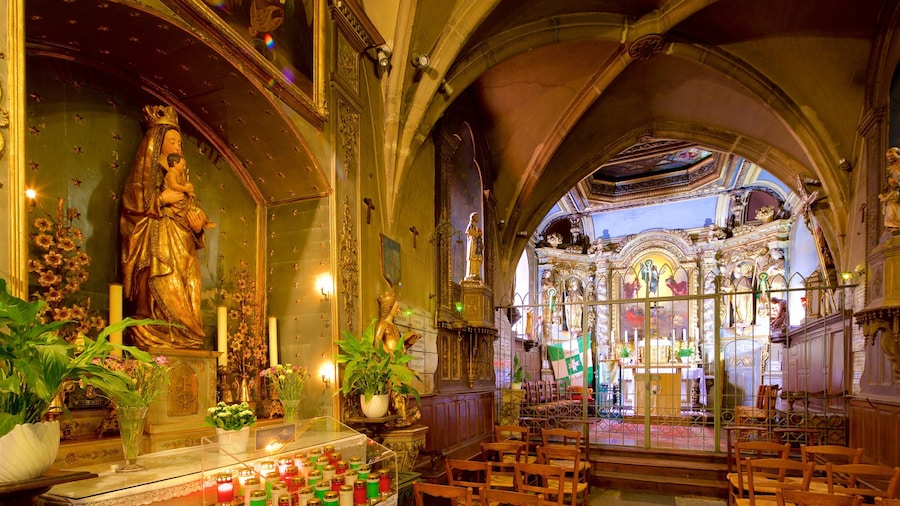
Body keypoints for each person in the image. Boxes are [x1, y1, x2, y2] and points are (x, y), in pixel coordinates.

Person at [119, 105, 209, 349]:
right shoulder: (147, 172)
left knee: (189, 287)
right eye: (172, 141)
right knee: (163, 280)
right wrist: (160, 200)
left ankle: (185, 334)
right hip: (157, 242)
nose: (178, 147)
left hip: (184, 245)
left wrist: (197, 227)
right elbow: (132, 206)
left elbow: (189, 206)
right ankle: (159, 327)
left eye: (179, 143)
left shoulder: (180, 174)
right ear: (157, 143)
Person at [373, 292, 421, 426]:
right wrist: (389, 353)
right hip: (391, 364)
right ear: (389, 307)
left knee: (405, 388)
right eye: (397, 307)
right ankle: (400, 416)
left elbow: (399, 345)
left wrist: (408, 343)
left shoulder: (394, 327)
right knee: (396, 389)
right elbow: (377, 343)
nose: (399, 310)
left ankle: (403, 414)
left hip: (400, 363)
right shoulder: (382, 324)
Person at [163, 153, 214, 230]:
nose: (184, 167)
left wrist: (189, 192)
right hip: (176, 203)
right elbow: (174, 185)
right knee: (191, 213)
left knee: (199, 211)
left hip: (183, 201)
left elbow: (184, 185)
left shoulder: (179, 174)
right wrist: (186, 189)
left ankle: (206, 223)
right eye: (182, 165)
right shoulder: (171, 174)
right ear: (175, 163)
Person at [879, 146, 900, 231]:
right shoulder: (891, 166)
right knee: (888, 205)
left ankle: (897, 225)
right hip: (893, 189)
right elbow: (889, 179)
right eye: (888, 157)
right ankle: (892, 226)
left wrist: (896, 182)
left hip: (897, 190)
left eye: (892, 156)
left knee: (892, 204)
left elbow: (897, 178)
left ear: (898, 154)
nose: (890, 158)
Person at [465, 212, 484, 280]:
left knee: (477, 259)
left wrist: (481, 244)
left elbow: (479, 236)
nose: (477, 218)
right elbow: (468, 232)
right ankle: (471, 273)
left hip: (477, 245)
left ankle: (476, 273)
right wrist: (478, 233)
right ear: (473, 218)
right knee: (472, 258)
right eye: (476, 217)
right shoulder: (471, 225)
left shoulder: (476, 227)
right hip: (472, 244)